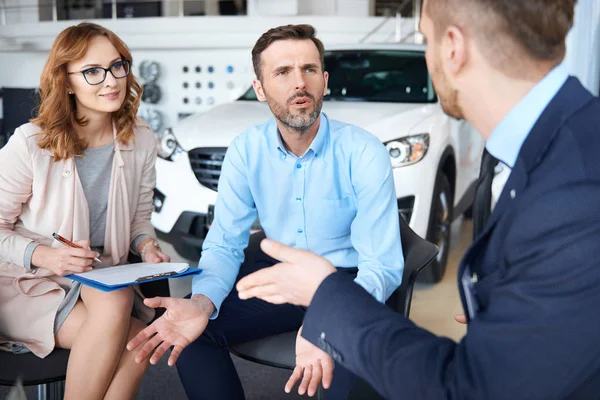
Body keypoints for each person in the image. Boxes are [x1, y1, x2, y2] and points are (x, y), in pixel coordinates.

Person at [236, 0, 600, 399]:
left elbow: (472, 389)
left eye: (425, 40)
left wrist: (327, 297)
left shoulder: (577, 187)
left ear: (453, 48)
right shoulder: (535, 146)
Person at [127, 24, 404, 399]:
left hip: (350, 285)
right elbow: (225, 243)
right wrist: (201, 302)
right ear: (259, 88)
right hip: (284, 282)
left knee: (344, 371)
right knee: (191, 330)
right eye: (282, 72)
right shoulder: (245, 151)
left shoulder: (365, 152)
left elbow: (381, 267)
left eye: (308, 70)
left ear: (323, 81)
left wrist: (329, 324)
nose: (299, 83)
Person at [0, 22, 170, 400]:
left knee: (133, 330)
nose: (111, 80)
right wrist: (46, 254)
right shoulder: (30, 143)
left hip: (99, 277)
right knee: (126, 316)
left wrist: (146, 248)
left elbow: (140, 219)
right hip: (31, 284)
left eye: (117, 66)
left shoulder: (140, 137)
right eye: (92, 71)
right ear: (67, 81)